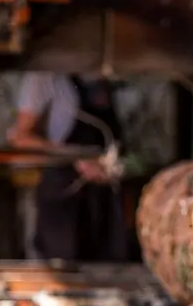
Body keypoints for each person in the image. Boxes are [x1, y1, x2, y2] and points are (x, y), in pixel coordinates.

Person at [9, 72, 128, 262]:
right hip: (62, 194)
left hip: (102, 198)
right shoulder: (43, 77)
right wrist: (74, 156)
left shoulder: (101, 78)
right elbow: (20, 138)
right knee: (63, 269)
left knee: (109, 268)